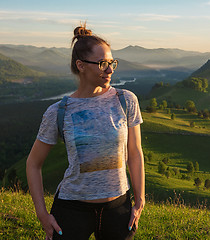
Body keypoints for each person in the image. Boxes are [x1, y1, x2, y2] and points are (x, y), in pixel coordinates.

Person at [26, 23, 145, 240]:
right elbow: (33, 164)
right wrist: (42, 214)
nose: (109, 70)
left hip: (118, 209)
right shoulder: (58, 112)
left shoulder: (126, 100)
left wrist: (139, 200)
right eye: (102, 64)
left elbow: (135, 153)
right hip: (72, 210)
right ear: (81, 65)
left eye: (111, 63)